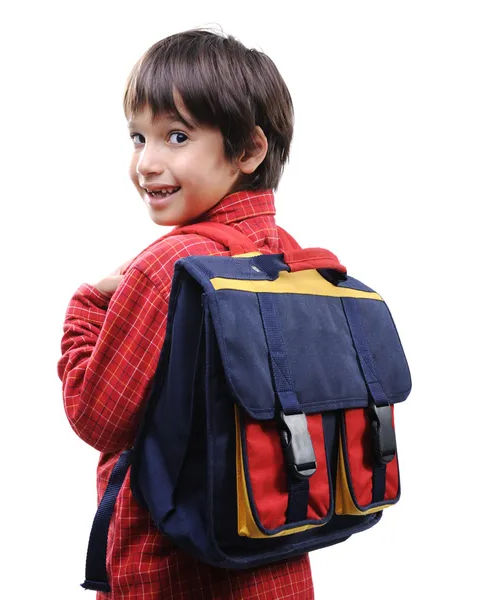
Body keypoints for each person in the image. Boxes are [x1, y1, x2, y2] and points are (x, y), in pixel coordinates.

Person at [58, 27, 314, 599]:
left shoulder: (168, 266)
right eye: (137, 137)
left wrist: (88, 307)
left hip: (174, 570)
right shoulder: (289, 258)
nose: (146, 163)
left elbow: (96, 418)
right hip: (277, 551)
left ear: (248, 150)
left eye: (176, 136)